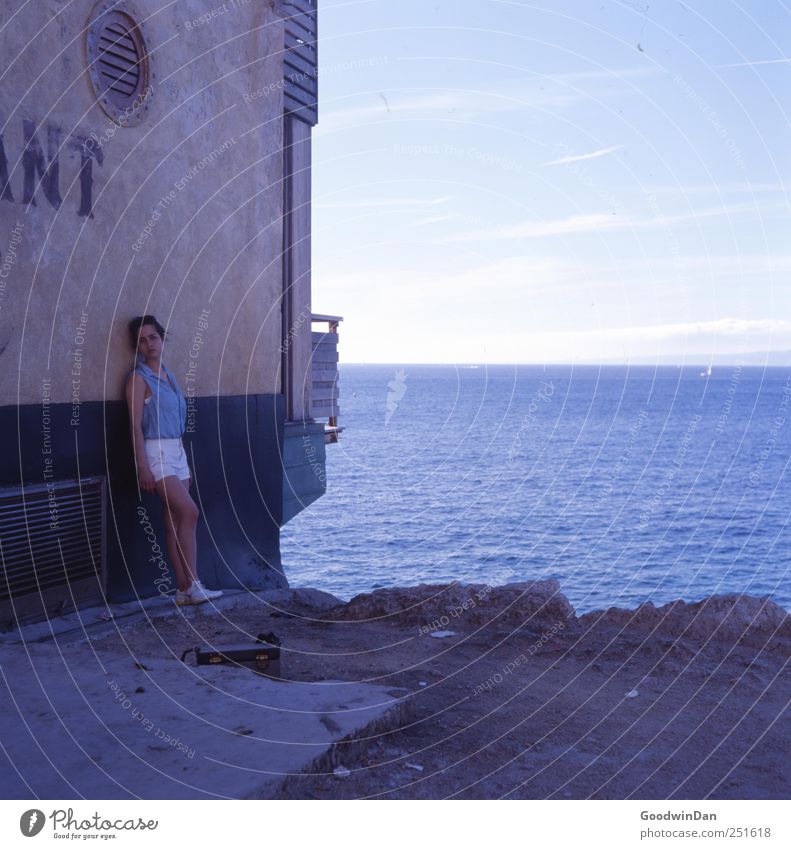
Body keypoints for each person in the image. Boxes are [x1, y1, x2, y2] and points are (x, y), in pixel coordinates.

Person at [125, 315, 222, 607]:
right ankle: (193, 583)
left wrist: (184, 461)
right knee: (190, 513)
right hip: (156, 454)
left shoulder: (169, 375)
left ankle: (182, 589)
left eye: (152, 337)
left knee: (173, 520)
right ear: (138, 346)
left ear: (162, 338)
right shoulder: (137, 379)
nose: (148, 344)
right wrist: (142, 466)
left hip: (177, 453)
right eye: (142, 340)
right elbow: (134, 427)